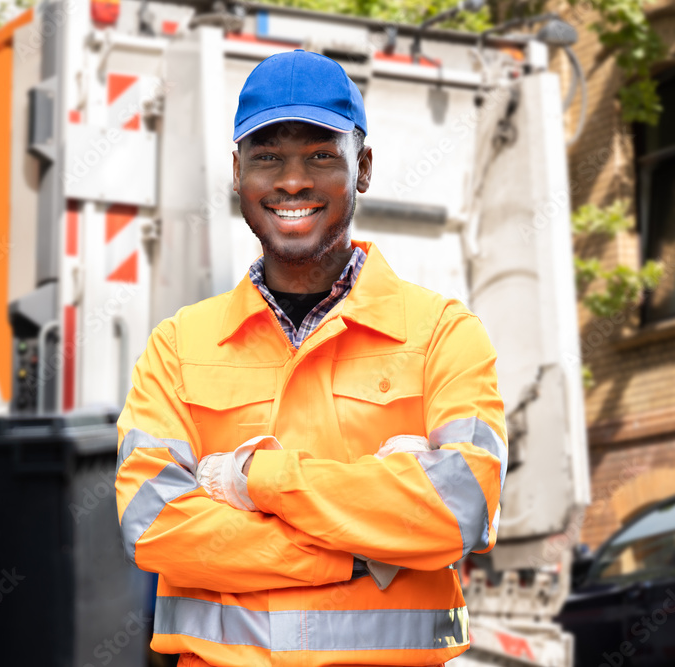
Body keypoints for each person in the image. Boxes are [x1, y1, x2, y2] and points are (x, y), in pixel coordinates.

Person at [115, 49, 507, 667]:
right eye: (268, 156)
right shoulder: (178, 347)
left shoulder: (442, 335)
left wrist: (250, 480)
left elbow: (464, 507)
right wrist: (359, 551)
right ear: (237, 171)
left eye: (322, 156)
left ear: (364, 167)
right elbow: (153, 525)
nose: (292, 180)